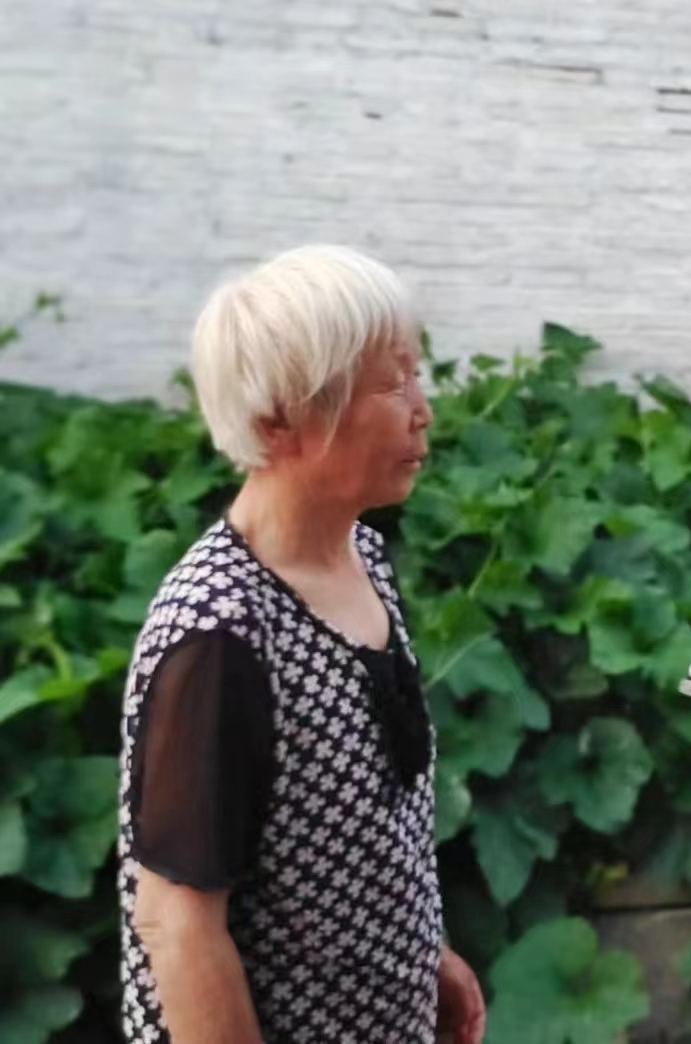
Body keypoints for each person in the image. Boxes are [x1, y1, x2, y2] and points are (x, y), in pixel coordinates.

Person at [116, 246, 486, 1044]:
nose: (423, 410)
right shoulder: (220, 630)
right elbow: (176, 924)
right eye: (389, 384)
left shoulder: (363, 558)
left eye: (416, 375)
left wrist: (423, 954)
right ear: (279, 418)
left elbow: (369, 820)